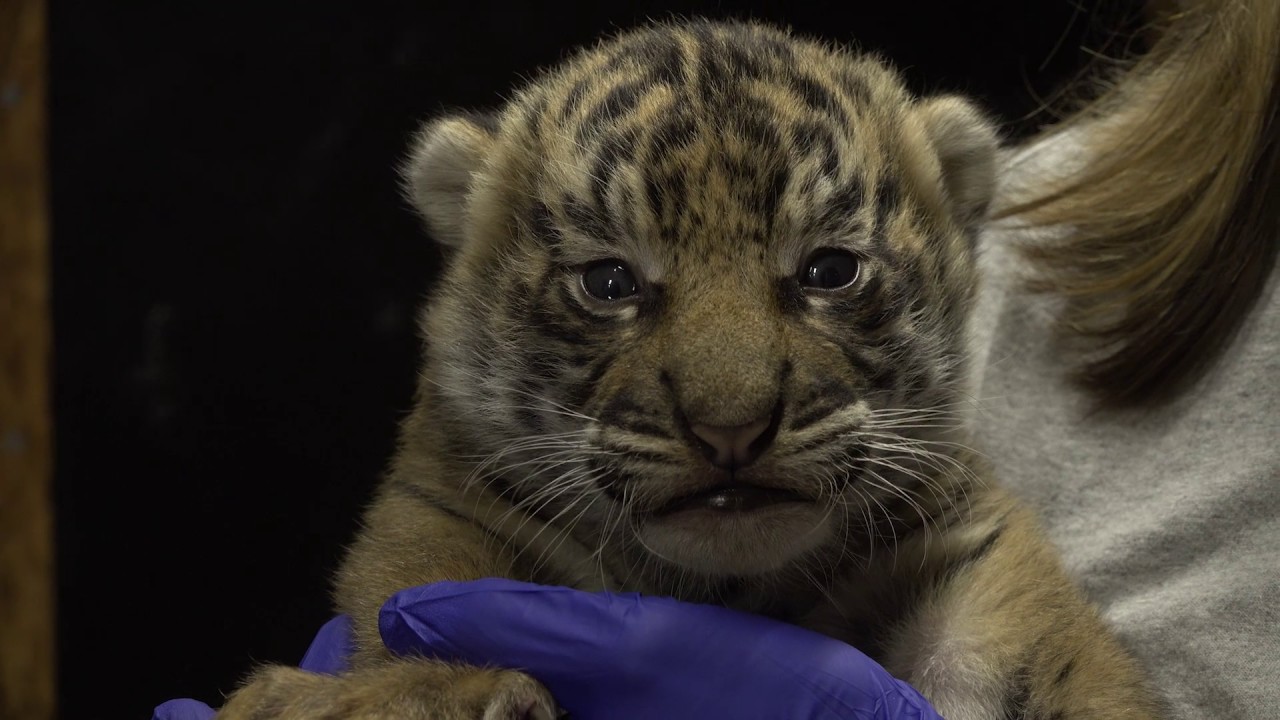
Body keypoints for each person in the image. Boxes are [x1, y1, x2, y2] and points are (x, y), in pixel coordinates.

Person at [155, 0, 1279, 717]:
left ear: (956, 233)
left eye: (830, 272)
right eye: (606, 284)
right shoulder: (1093, 210)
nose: (729, 399)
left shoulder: (934, 502)